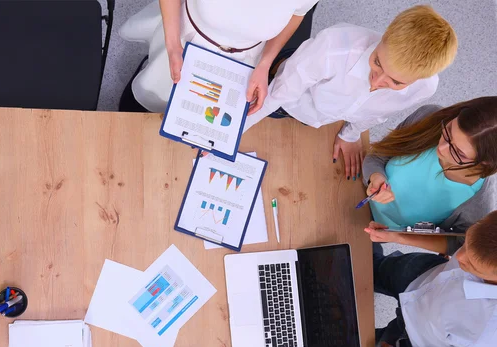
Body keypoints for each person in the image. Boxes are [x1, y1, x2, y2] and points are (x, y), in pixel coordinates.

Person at [243, 5, 458, 180]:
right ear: (384, 37)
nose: (377, 81)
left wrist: (351, 135)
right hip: (283, 92)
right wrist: (227, 140)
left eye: (395, 82)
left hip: (312, 116)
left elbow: (378, 114)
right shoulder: (333, 46)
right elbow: (279, 94)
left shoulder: (425, 87)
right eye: (377, 62)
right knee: (293, 10)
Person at [373, 210, 497, 347]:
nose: (459, 256)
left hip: (413, 340)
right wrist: (398, 236)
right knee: (375, 267)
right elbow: (455, 244)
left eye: (471, 265)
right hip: (423, 274)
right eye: (466, 244)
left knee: (354, 343)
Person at [119, 0, 319, 113]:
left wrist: (265, 64)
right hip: (187, 38)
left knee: (205, 114)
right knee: (155, 86)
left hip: (244, 58)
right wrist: (172, 46)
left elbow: (298, 13)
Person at [363, 97, 497, 255]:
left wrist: (399, 237)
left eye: (458, 152)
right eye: (448, 132)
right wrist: (376, 176)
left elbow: (460, 245)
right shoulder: (429, 116)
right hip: (354, 191)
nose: (442, 147)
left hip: (375, 231)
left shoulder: (478, 202)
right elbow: (379, 154)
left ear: (486, 162)